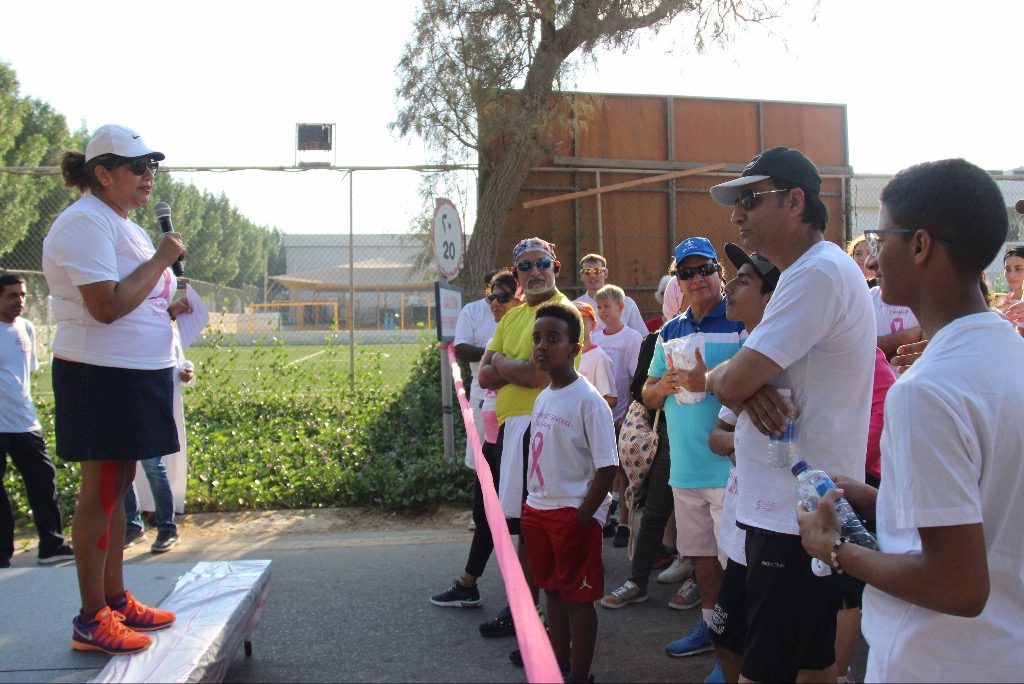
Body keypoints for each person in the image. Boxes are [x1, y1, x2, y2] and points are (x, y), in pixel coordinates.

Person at [798, 158, 1024, 683]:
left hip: (937, 662)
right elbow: (993, 509)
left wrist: (834, 549)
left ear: (920, 245)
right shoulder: (1010, 357)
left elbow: (957, 587)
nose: (874, 256)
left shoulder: (926, 391)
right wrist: (885, 501)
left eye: (880, 239)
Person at [704, 146, 876, 682]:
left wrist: (734, 384)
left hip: (792, 518)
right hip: (791, 513)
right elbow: (733, 382)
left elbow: (731, 380)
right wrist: (739, 387)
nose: (738, 214)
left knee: (769, 672)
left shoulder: (816, 272)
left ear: (796, 201)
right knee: (809, 667)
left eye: (751, 199)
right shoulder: (809, 271)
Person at [42, 124, 190, 655]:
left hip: (133, 371)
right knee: (102, 490)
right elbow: (105, 307)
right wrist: (161, 260)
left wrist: (166, 304)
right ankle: (91, 618)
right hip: (99, 372)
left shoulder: (120, 223)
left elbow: (136, 296)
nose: (149, 175)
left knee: (120, 483)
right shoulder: (85, 222)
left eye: (153, 166)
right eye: (138, 167)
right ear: (102, 174)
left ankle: (115, 600)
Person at [644, 237, 746, 657]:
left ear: (719, 273)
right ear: (679, 281)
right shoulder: (670, 331)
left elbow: (756, 383)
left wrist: (710, 380)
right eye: (687, 272)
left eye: (705, 269)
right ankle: (710, 630)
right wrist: (663, 386)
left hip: (729, 468)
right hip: (685, 469)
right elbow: (648, 392)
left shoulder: (740, 321)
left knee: (734, 563)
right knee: (702, 557)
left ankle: (736, 645)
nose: (697, 278)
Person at [477, 237, 578, 643]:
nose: (534, 271)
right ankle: (524, 610)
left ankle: (550, 623)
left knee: (544, 524)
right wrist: (508, 365)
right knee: (524, 523)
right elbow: (483, 375)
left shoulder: (562, 312)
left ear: (555, 267)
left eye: (541, 263)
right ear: (516, 274)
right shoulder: (512, 317)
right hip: (513, 431)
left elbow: (539, 375)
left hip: (547, 428)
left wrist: (501, 362)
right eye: (525, 266)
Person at [520, 301, 618, 684]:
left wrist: (582, 516)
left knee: (578, 601)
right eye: (537, 339)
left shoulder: (590, 402)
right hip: (538, 512)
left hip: (571, 516)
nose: (541, 346)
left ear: (574, 349)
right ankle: (557, 667)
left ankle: (578, 676)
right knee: (551, 593)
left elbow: (608, 466)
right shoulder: (544, 396)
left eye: (552, 339)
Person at [702, 243, 780, 684]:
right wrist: (744, 440)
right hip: (742, 522)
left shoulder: (783, 357)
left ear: (772, 298)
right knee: (726, 637)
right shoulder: (749, 356)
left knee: (769, 651)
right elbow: (716, 436)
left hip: (774, 529)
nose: (728, 287)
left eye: (744, 281)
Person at [430, 270, 523, 609]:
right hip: (491, 424)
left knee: (514, 513)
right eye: (491, 297)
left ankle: (524, 602)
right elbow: (478, 366)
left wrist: (496, 361)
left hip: (520, 427)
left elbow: (518, 370)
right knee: (488, 507)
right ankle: (473, 584)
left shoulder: (524, 328)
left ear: (519, 299)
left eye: (503, 297)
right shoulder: (489, 325)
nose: (495, 303)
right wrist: (496, 359)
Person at [0, 274, 75, 568]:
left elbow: (26, 374)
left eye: (22, 295)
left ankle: (52, 546)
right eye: (12, 295)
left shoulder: (26, 328)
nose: (19, 301)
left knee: (43, 479)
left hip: (25, 422)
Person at [123, 330, 194, 553]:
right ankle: (133, 526)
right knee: (122, 466)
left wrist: (186, 372)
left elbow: (178, 363)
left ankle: (167, 528)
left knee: (153, 465)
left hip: (150, 401)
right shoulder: (122, 327)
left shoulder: (161, 328)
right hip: (121, 399)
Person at [592, 284, 642, 547]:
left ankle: (625, 522)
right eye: (599, 307)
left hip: (622, 414)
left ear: (620, 307)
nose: (602, 312)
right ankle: (607, 519)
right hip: (600, 416)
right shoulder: (596, 338)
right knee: (604, 469)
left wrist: (628, 414)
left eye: (607, 306)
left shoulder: (632, 338)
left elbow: (634, 378)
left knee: (624, 471)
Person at [454, 269, 502, 490]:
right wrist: (494, 354)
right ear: (487, 289)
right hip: (482, 394)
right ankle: (481, 504)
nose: (499, 299)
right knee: (481, 455)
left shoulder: (518, 311)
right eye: (495, 292)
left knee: (508, 455)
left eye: (505, 293)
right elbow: (461, 349)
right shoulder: (472, 311)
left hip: (513, 395)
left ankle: (506, 505)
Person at [573, 254, 647, 335]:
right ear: (581, 276)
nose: (592, 275)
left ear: (605, 273)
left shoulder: (626, 303)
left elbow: (642, 335)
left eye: (597, 271)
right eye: (587, 272)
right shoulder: (575, 307)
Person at [573, 301, 617, 409]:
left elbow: (611, 400)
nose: (578, 328)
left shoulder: (599, 358)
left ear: (593, 326)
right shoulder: (562, 355)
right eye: (573, 323)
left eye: (583, 323)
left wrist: (583, 409)